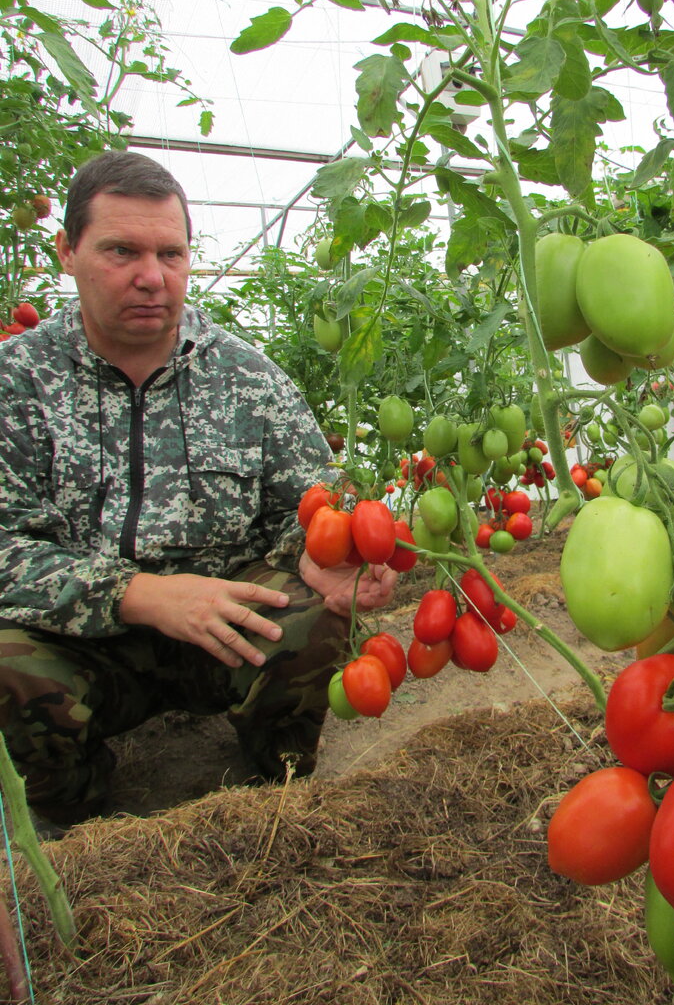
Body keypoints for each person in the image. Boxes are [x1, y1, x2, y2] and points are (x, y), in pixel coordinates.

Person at [0, 151, 397, 829]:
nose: (151, 277)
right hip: (82, 642)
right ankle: (67, 801)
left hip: (224, 633)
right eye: (121, 251)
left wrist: (317, 550)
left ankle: (276, 769)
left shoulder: (247, 376)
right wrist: (139, 595)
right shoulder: (17, 382)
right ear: (66, 251)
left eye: (171, 254)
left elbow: (317, 491)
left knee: (315, 623)